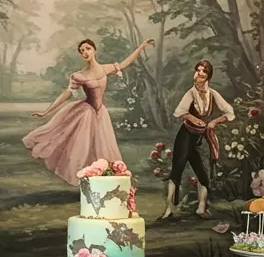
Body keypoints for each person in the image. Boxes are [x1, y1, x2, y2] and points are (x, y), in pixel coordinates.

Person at [23, 36, 154, 187]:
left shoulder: (105, 68)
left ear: (94, 50)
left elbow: (125, 63)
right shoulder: (79, 75)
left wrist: (141, 47)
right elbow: (67, 93)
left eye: (87, 49)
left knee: (103, 147)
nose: (85, 52)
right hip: (86, 112)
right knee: (83, 147)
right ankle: (87, 182)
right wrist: (46, 112)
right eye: (81, 51)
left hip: (101, 113)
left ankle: (104, 182)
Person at [161, 60, 234, 218]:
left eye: (204, 71)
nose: (200, 73)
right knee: (177, 171)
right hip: (186, 136)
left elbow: (229, 112)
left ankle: (201, 207)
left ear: (208, 76)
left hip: (200, 139)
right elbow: (180, 112)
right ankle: (169, 209)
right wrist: (194, 119)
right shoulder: (190, 93)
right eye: (198, 70)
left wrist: (214, 121)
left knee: (202, 173)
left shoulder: (213, 94)